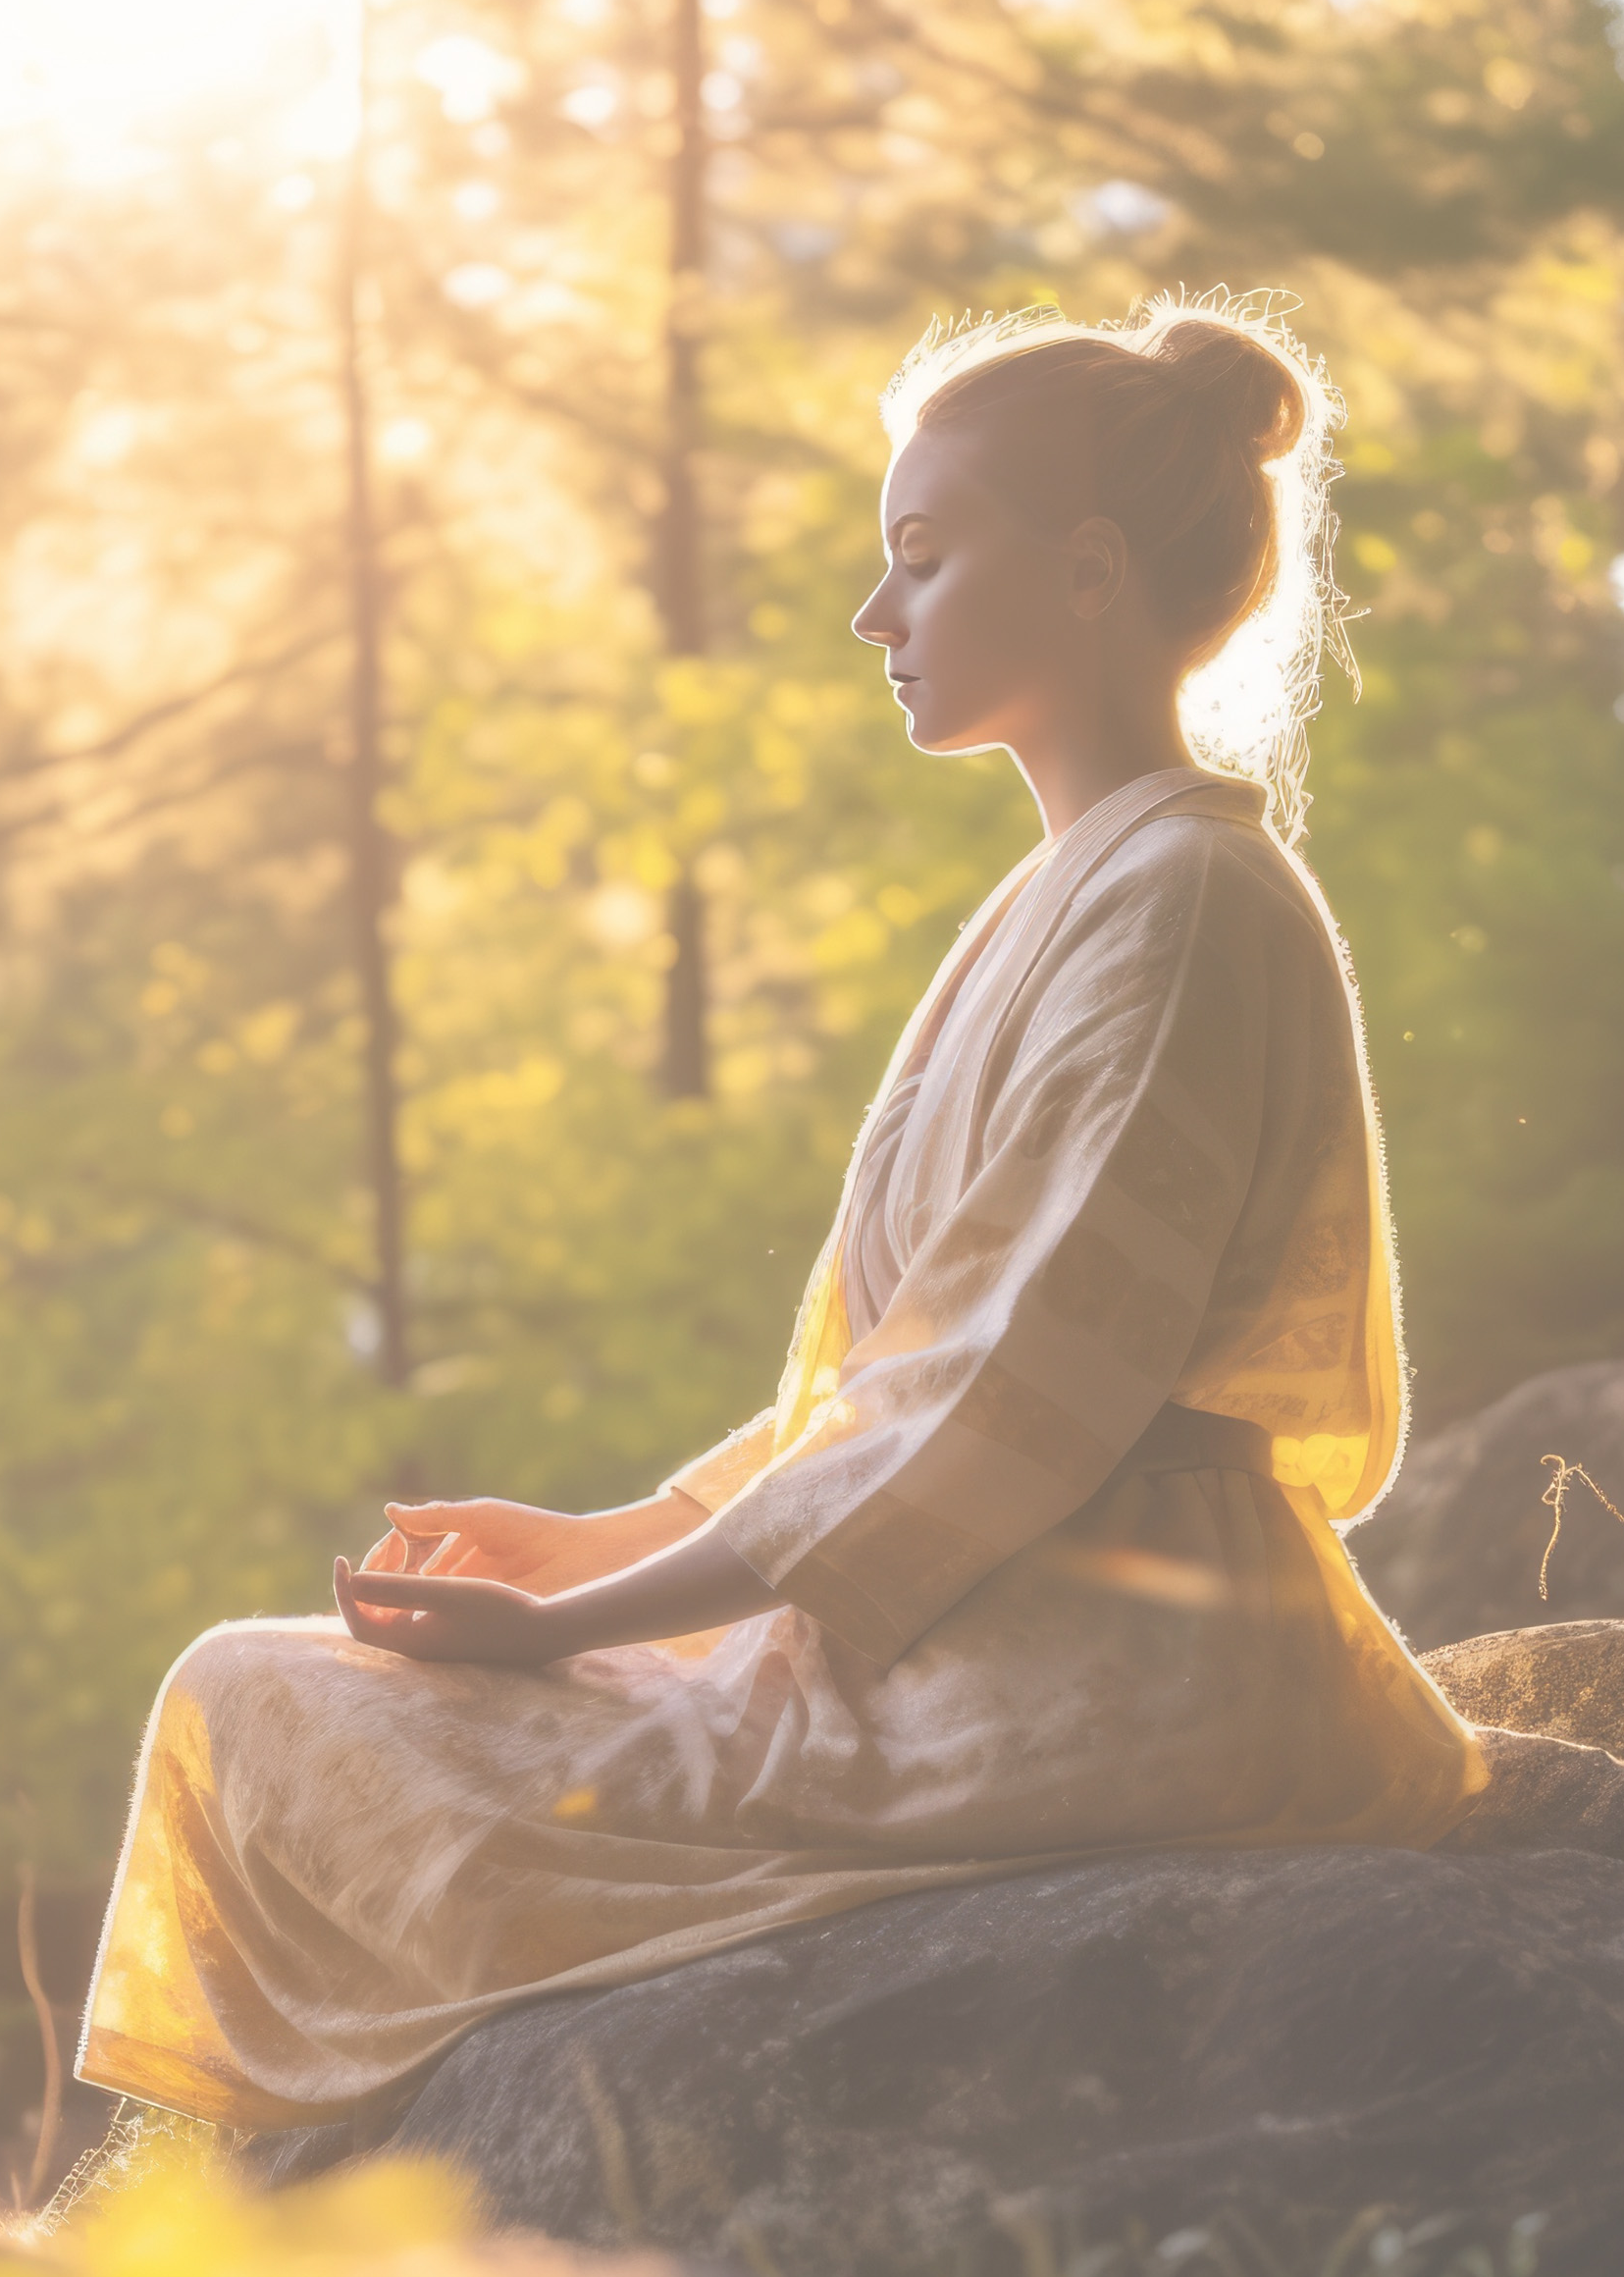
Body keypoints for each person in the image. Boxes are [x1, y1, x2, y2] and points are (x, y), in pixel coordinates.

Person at [77, 294, 1486, 2137]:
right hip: (989, 1623)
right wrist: (599, 1551)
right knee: (258, 1693)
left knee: (262, 1700)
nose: (870, 614)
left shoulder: (1188, 903)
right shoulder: (1088, 890)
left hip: (1106, 1667)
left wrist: (596, 1623)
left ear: (1085, 572)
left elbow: (1005, 1395)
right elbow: (899, 1377)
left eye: (919, 556)